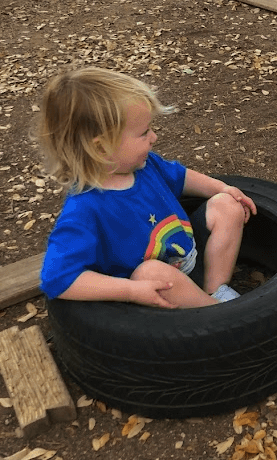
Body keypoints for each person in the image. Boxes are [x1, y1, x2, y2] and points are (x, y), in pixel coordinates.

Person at [38, 67, 257, 309]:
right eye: (143, 133)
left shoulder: (145, 165)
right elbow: (56, 278)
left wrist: (222, 188)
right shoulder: (84, 209)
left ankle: (217, 290)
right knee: (150, 272)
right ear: (101, 148)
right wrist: (131, 290)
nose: (153, 137)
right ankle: (216, 312)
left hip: (188, 257)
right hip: (155, 293)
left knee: (226, 205)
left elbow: (182, 178)